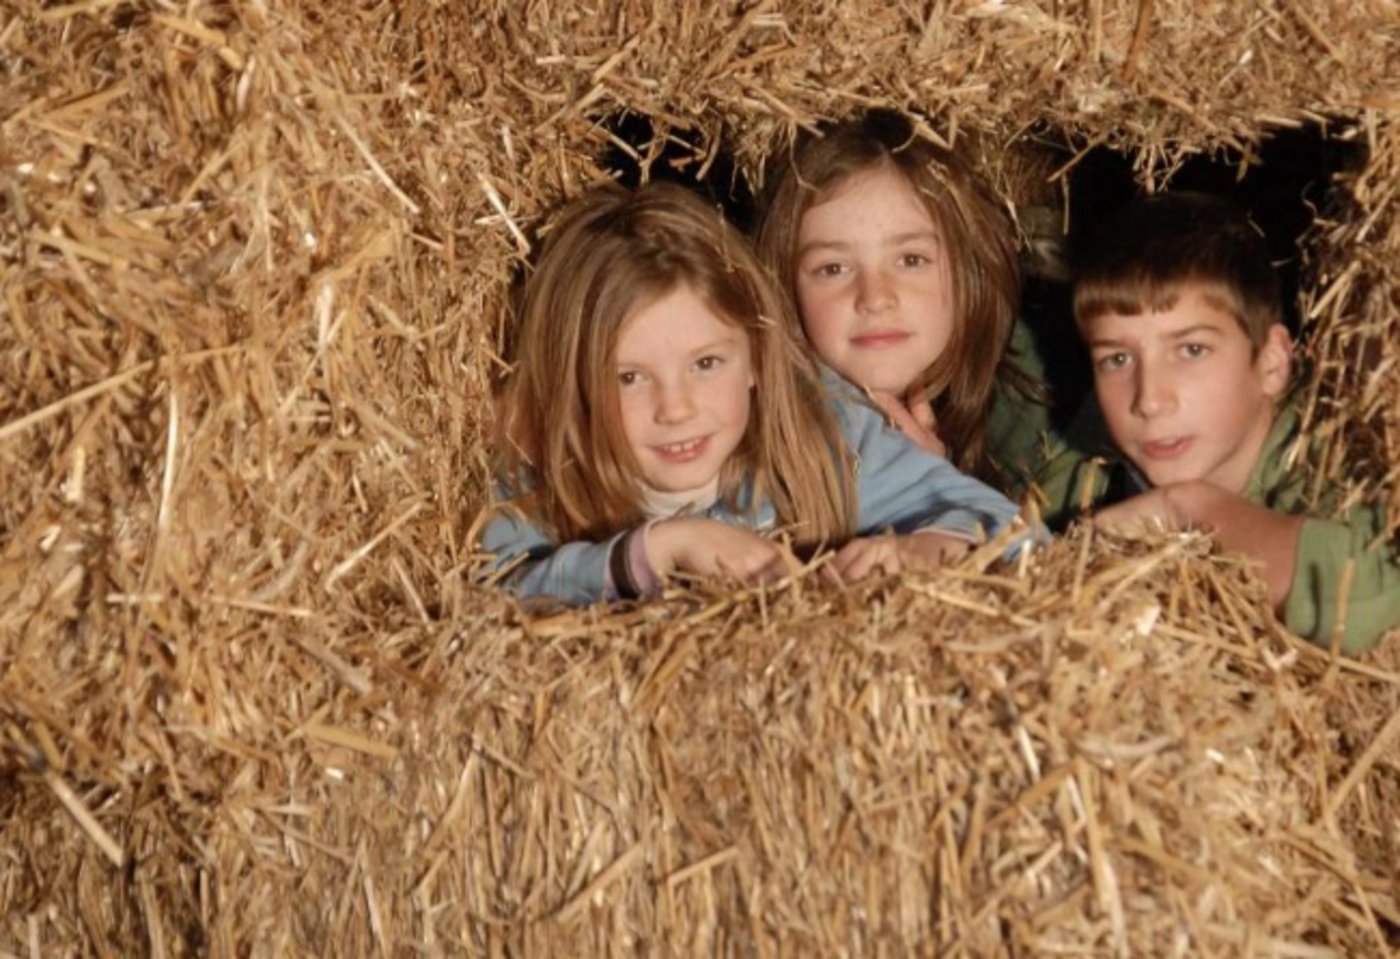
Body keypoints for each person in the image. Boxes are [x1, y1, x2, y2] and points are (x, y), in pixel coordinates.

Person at [479, 181, 1025, 605]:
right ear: (573, 382)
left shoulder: (827, 432)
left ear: (757, 360)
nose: (676, 409)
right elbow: (482, 602)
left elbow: (1016, 535)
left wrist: (921, 551)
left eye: (706, 363)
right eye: (629, 377)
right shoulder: (538, 475)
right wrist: (660, 551)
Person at [1062, 190, 1399, 656]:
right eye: (1117, 358)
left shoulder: (1336, 458)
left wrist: (1191, 511)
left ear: (1273, 363)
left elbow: (1370, 595)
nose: (1149, 399)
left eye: (1192, 350)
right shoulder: (1084, 466)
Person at [755, 110, 1088, 526]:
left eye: (911, 260)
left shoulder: (1045, 402)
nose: (875, 298)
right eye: (833, 269)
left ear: (968, 272)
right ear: (787, 291)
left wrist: (936, 480)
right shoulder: (751, 428)